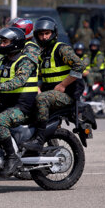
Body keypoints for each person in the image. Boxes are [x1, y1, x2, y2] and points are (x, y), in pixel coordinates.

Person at [23, 16, 85, 151]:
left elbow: (79, 66)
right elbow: (41, 77)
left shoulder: (61, 48)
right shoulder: (42, 53)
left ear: (53, 33)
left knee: (41, 99)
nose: (44, 37)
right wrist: (37, 87)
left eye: (47, 33)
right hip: (51, 93)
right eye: (41, 34)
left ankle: (39, 140)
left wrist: (63, 85)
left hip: (67, 94)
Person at [0, 27, 39, 177]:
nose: (1, 45)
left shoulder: (26, 60)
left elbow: (19, 81)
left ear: (15, 43)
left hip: (22, 107)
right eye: (1, 42)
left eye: (5, 42)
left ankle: (12, 157)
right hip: (7, 105)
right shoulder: (3, 61)